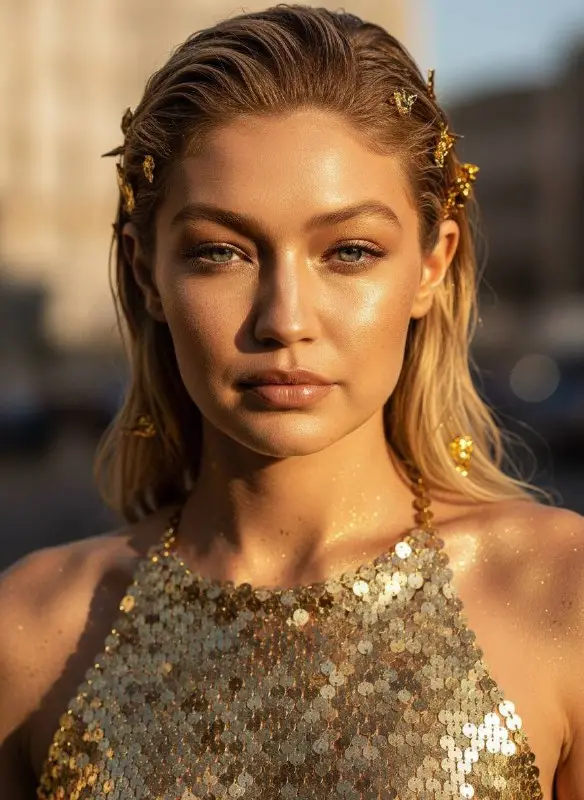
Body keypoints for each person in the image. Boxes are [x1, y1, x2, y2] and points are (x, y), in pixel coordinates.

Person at [0, 4, 582, 798]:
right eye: (221, 252)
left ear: (430, 265)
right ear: (148, 274)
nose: (285, 320)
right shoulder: (33, 631)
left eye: (349, 252)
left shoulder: (562, 595)